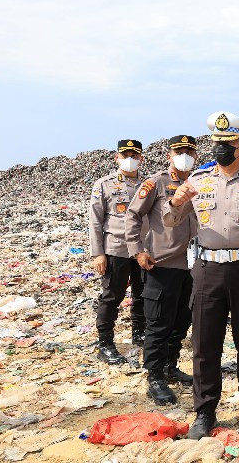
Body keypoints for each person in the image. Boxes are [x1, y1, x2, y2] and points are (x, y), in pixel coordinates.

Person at [163, 112, 239, 438]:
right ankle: (205, 411)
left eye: (228, 143)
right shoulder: (198, 180)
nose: (220, 148)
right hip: (208, 269)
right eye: (217, 142)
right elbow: (171, 221)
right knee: (205, 342)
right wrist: (175, 203)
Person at [125, 135, 198, 405]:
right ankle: (154, 377)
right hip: (162, 264)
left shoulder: (200, 182)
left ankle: (170, 366)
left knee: (182, 321)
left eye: (189, 151)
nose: (184, 156)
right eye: (179, 151)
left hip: (192, 265)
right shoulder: (155, 183)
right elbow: (133, 215)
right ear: (170, 155)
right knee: (158, 324)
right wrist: (137, 251)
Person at [88, 139, 147, 364]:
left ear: (141, 158)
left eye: (134, 155)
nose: (130, 159)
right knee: (112, 297)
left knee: (142, 294)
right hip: (116, 249)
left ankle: (139, 333)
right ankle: (105, 343)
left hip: (141, 250)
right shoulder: (104, 184)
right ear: (117, 158)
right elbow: (95, 221)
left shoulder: (147, 184)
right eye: (125, 155)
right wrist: (98, 253)